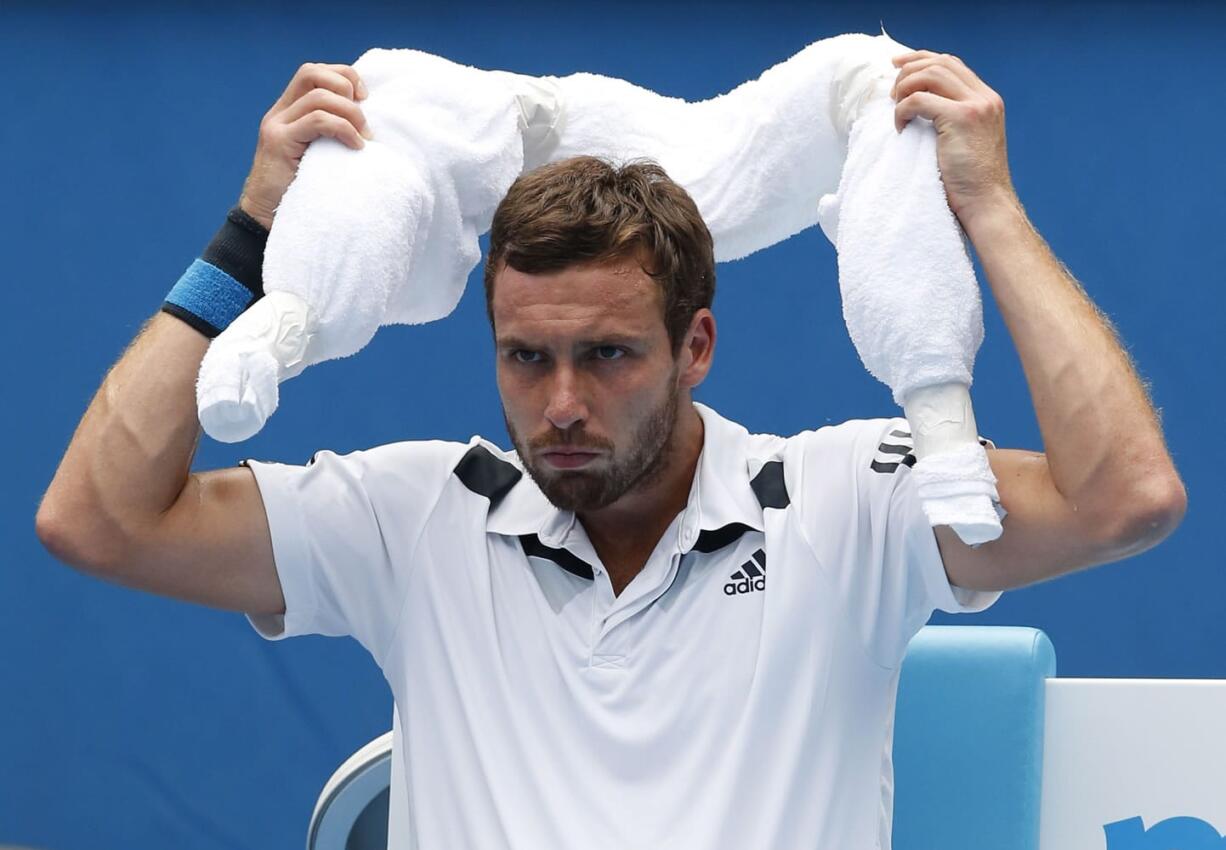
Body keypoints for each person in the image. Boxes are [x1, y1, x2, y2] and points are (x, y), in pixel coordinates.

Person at [36, 52, 1186, 849]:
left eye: (607, 356)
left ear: (696, 346)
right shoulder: (409, 516)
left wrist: (981, 202)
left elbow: (1121, 497)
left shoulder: (848, 500)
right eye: (525, 359)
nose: (562, 404)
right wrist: (248, 235)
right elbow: (97, 519)